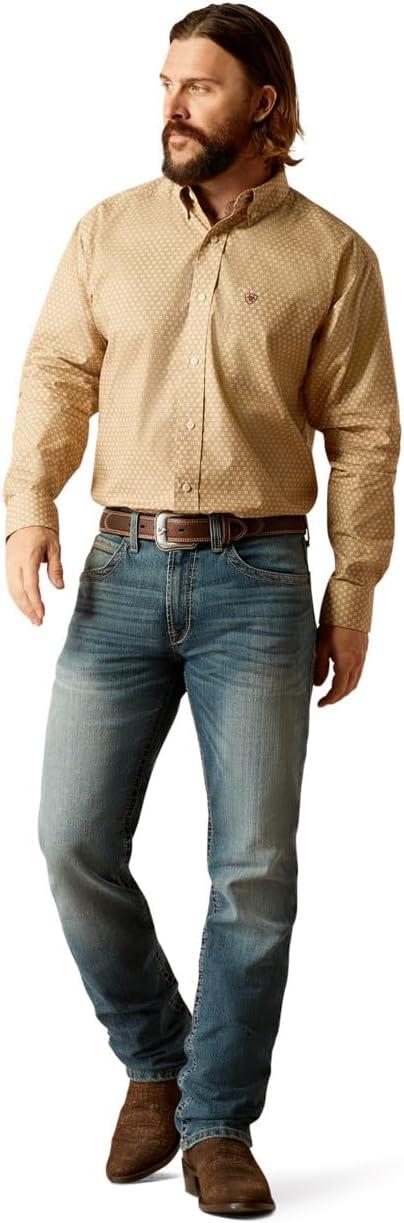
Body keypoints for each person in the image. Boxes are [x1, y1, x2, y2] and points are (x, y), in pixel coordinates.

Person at [3, 4, 401, 1215]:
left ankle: (218, 1120)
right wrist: (28, 505)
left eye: (201, 85)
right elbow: (58, 371)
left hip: (259, 584)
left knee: (251, 872)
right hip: (120, 571)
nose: (172, 105)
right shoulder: (107, 230)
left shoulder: (333, 256)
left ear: (263, 105)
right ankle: (156, 1058)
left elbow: (363, 432)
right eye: (165, 82)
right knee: (71, 842)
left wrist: (351, 588)